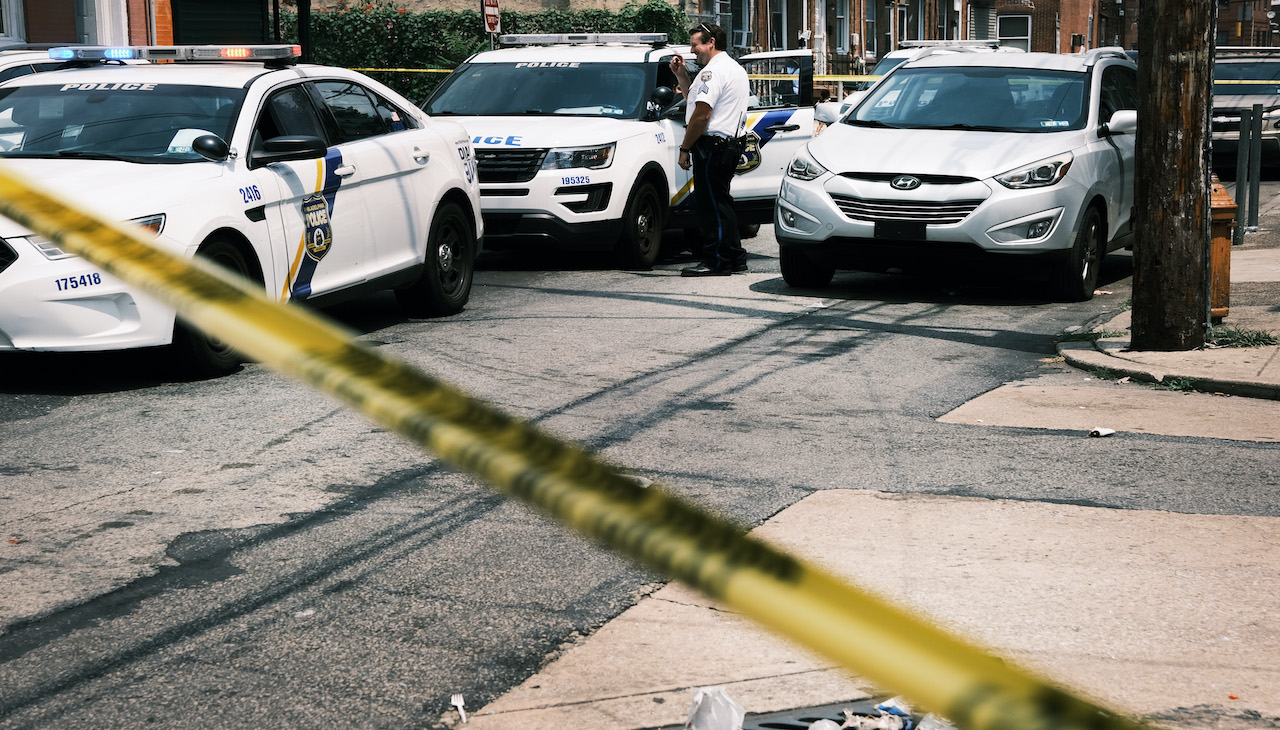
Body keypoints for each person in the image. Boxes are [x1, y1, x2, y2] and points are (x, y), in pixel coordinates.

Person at [669, 22, 750, 276]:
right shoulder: (732, 68)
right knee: (721, 203)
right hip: (728, 145)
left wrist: (685, 148)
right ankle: (735, 257)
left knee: (711, 206)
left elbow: (701, 115)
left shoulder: (712, 72)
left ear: (711, 42)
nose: (692, 51)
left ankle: (717, 260)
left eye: (695, 45)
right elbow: (695, 102)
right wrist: (681, 75)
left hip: (713, 146)